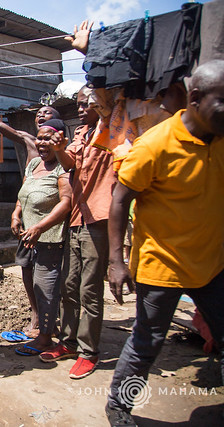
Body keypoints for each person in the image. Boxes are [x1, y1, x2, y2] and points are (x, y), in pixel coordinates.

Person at [105, 60, 224, 426]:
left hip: (213, 264)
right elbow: (119, 201)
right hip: (162, 265)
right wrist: (117, 261)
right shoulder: (154, 145)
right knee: (146, 342)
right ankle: (118, 407)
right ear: (196, 98)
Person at [0, 70, 61, 335]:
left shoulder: (64, 156)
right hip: (28, 218)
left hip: (51, 224)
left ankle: (51, 320)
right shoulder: (29, 142)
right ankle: (36, 315)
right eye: (39, 115)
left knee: (51, 274)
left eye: (48, 113)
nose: (42, 115)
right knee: (27, 269)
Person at [38, 86, 114, 379]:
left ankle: (88, 351)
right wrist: (59, 148)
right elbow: (69, 164)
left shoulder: (113, 131)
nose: (81, 109)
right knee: (69, 285)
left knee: (90, 289)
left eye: (87, 104)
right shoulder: (80, 133)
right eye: (79, 104)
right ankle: (68, 342)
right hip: (76, 217)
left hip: (99, 216)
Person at [11, 119, 72, 356]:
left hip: (48, 238)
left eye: (48, 138)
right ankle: (44, 326)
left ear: (59, 141)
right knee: (31, 282)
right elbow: (23, 193)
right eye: (40, 137)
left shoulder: (61, 168)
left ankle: (46, 338)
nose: (42, 142)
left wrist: (39, 227)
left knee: (46, 287)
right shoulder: (34, 163)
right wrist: (16, 214)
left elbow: (66, 203)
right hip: (28, 236)